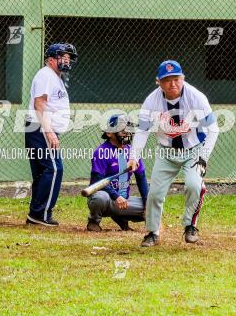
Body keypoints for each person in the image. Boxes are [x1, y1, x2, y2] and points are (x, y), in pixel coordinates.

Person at [128, 60, 220, 247]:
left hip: (194, 150)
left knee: (195, 186)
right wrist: (133, 157)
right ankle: (153, 232)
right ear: (158, 82)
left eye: (176, 79)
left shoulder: (196, 97)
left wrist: (203, 157)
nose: (172, 84)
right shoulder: (151, 101)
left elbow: (214, 129)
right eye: (167, 80)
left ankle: (190, 226)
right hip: (166, 152)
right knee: (154, 193)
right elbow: (142, 131)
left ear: (183, 78)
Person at [25, 43, 78, 226]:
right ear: (50, 59)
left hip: (39, 129)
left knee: (42, 172)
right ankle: (41, 214)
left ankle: (36, 214)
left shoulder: (56, 77)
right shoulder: (46, 74)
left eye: (68, 57)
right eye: (62, 56)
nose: (66, 60)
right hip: (40, 128)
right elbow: (39, 104)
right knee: (54, 169)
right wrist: (49, 131)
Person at [86, 114, 148, 232]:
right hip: (108, 199)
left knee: (155, 205)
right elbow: (97, 181)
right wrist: (116, 196)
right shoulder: (101, 152)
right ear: (109, 133)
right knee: (100, 198)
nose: (127, 134)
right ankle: (93, 221)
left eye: (129, 130)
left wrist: (147, 202)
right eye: (123, 131)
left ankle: (120, 217)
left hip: (124, 201)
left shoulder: (133, 152)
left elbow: (141, 178)